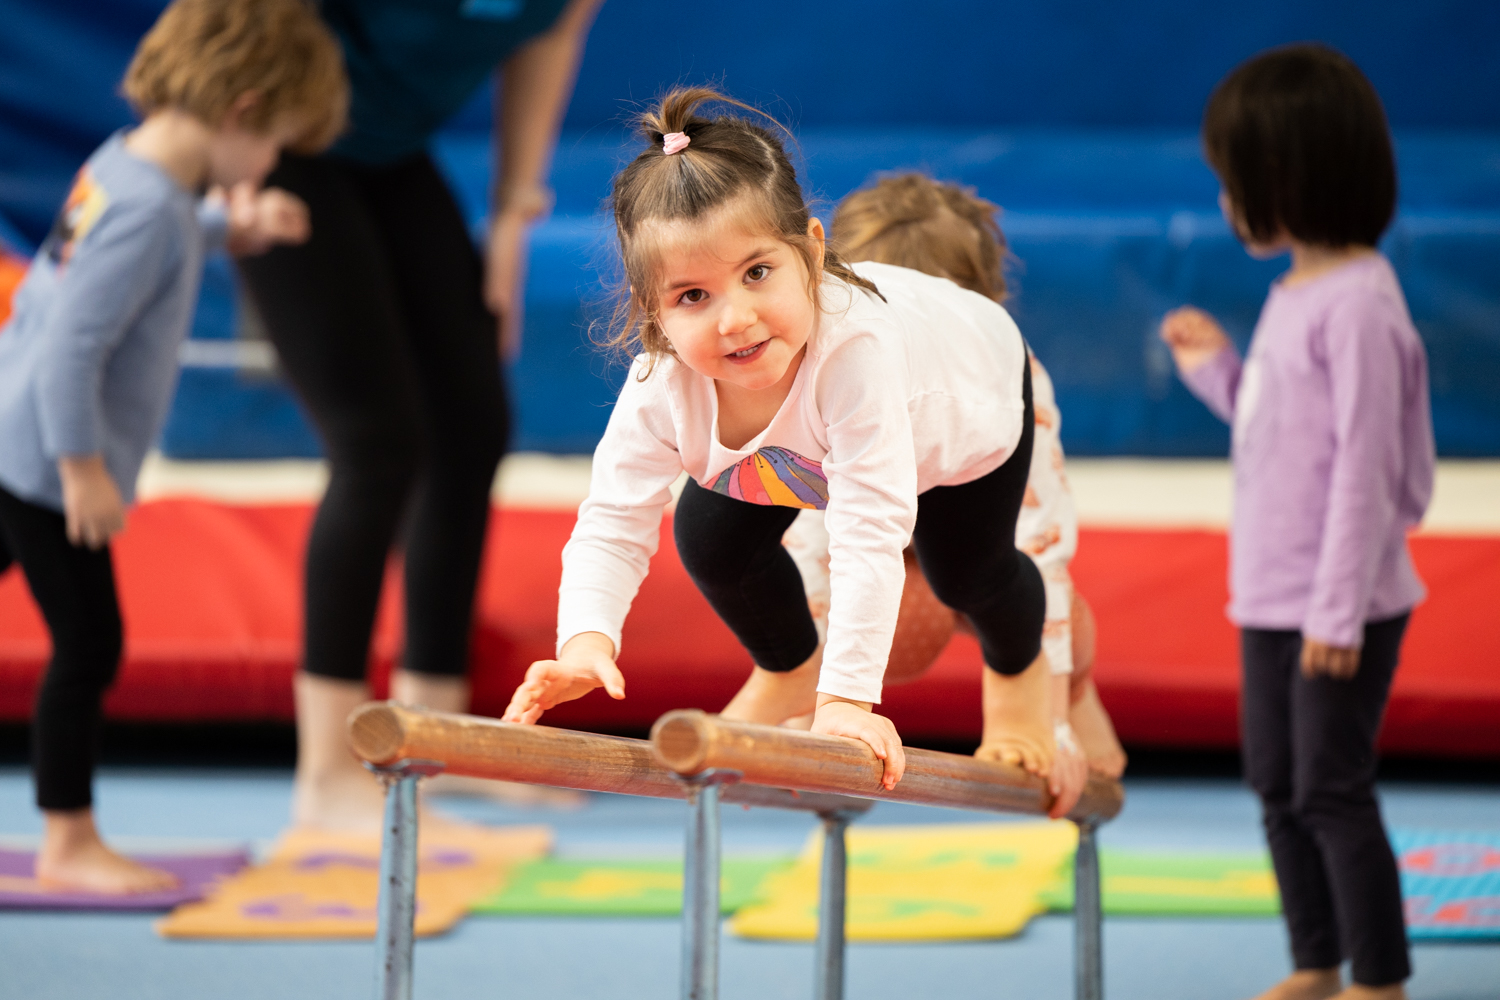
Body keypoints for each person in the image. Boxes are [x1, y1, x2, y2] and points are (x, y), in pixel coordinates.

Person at [502, 88, 1088, 817]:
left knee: (967, 571)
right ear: (650, 310)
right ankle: (788, 663)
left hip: (968, 401)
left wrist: (847, 704)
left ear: (812, 250)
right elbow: (613, 519)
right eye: (692, 296)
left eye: (757, 273)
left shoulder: (854, 356)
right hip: (806, 450)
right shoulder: (661, 383)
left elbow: (868, 537)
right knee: (708, 534)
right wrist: (587, 641)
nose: (736, 319)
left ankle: (1019, 687)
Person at [0, 0, 346, 893]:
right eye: (274, 144)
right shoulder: (152, 209)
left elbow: (132, 249)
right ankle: (69, 842)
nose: (270, 163)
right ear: (243, 110)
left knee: (84, 639)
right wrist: (81, 471)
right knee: (89, 645)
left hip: (12, 432)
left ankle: (68, 834)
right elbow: (75, 349)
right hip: (43, 461)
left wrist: (233, 226)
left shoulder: (125, 165)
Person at [236, 0, 603, 829]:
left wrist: (512, 218)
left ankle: (436, 739)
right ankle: (327, 771)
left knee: (469, 425)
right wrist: (232, 175)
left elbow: (550, 35)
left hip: (391, 154)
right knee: (376, 446)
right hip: (278, 142)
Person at [1160, 45, 1432, 1000]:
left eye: (1234, 183)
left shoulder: (1358, 306)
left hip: (1336, 607)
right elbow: (1284, 436)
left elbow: (1366, 469)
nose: (1227, 202)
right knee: (1277, 787)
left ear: (1288, 180)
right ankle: (1315, 962)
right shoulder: (1296, 294)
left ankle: (1379, 978)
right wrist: (1216, 372)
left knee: (1329, 790)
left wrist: (1338, 613)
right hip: (1275, 598)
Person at [774, 173, 1125, 778]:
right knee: (846, 588)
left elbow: (1036, 547)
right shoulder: (831, 365)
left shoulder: (1007, 381)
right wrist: (802, 709)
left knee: (1012, 594)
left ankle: (1074, 697)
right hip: (897, 568)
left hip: (980, 568)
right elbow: (810, 535)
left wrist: (1051, 722)